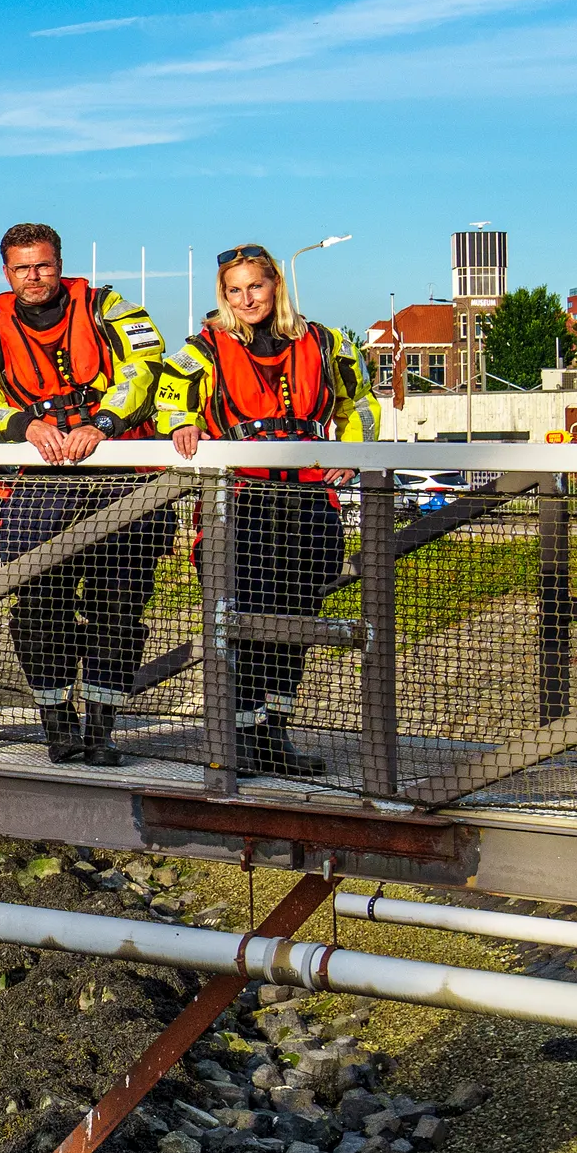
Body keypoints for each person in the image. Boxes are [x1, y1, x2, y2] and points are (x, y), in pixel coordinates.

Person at [0, 222, 182, 767]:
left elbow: (145, 365)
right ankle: (57, 725)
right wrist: (23, 426)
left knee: (119, 607)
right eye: (22, 268)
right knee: (40, 607)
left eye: (42, 265)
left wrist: (104, 424)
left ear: (60, 263)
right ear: (6, 272)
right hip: (42, 484)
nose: (33, 276)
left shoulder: (110, 308)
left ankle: (102, 729)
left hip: (123, 479)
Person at [165, 243, 378, 780]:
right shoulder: (202, 348)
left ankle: (274, 734)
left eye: (254, 287)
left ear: (276, 285)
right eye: (234, 291)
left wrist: (351, 455)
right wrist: (180, 424)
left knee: (297, 617)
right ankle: (241, 738)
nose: (246, 299)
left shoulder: (326, 342)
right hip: (240, 502)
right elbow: (171, 398)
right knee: (243, 621)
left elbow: (361, 405)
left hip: (309, 501)